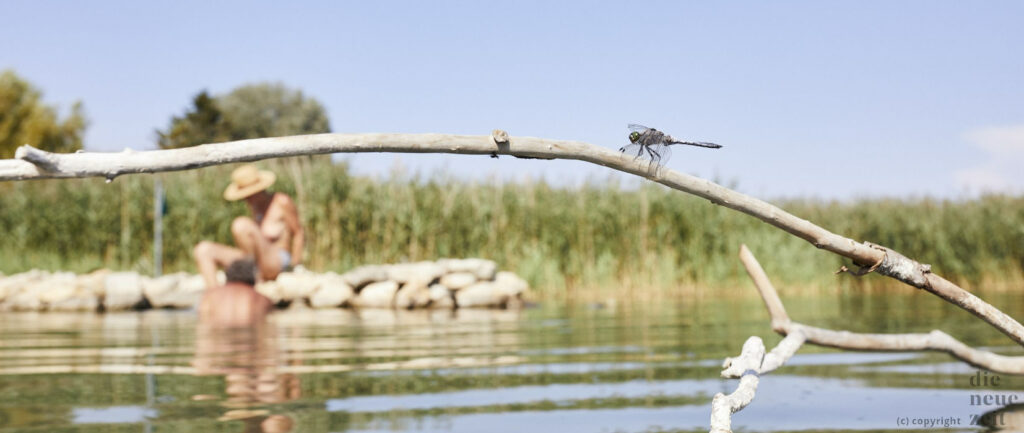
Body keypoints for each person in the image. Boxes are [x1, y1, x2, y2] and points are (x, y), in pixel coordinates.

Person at [194, 164, 304, 289]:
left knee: (240, 225)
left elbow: (298, 232)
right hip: (254, 261)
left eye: (249, 194)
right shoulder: (254, 206)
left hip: (276, 259)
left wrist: (295, 265)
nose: (246, 198)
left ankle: (252, 279)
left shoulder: (281, 202)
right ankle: (214, 295)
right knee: (203, 249)